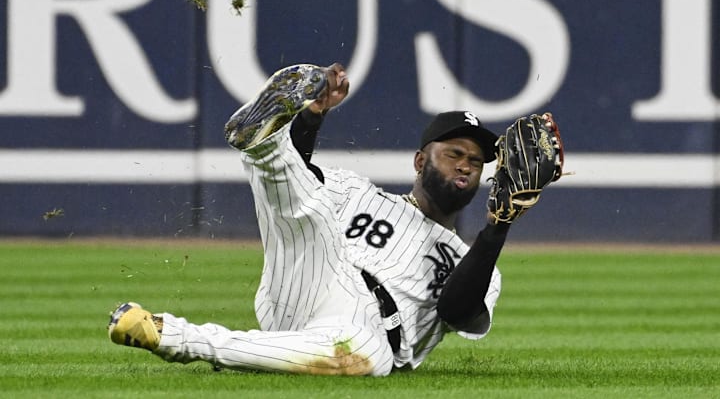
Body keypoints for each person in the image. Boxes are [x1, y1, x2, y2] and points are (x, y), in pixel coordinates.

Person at [108, 63, 542, 376]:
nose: (466, 165)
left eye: (475, 161)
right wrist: (313, 116)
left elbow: (456, 310)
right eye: (454, 154)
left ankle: (172, 336)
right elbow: (300, 186)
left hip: (369, 327)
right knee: (309, 206)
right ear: (419, 161)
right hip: (305, 278)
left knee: (363, 353)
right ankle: (263, 144)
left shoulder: (474, 261)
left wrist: (498, 226)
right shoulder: (358, 191)